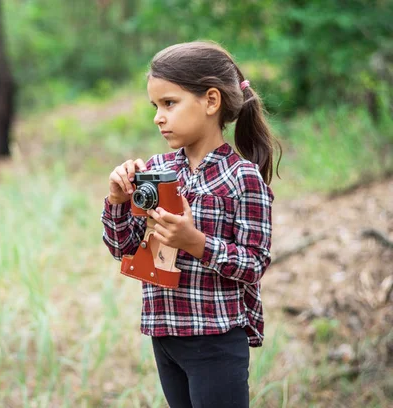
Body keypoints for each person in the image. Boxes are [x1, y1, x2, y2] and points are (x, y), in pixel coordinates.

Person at [100, 41, 281, 408]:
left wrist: (195, 242)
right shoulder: (157, 172)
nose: (158, 117)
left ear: (211, 101)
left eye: (169, 103)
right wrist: (118, 201)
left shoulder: (241, 178)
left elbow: (254, 265)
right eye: (155, 106)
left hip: (214, 338)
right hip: (164, 335)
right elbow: (125, 249)